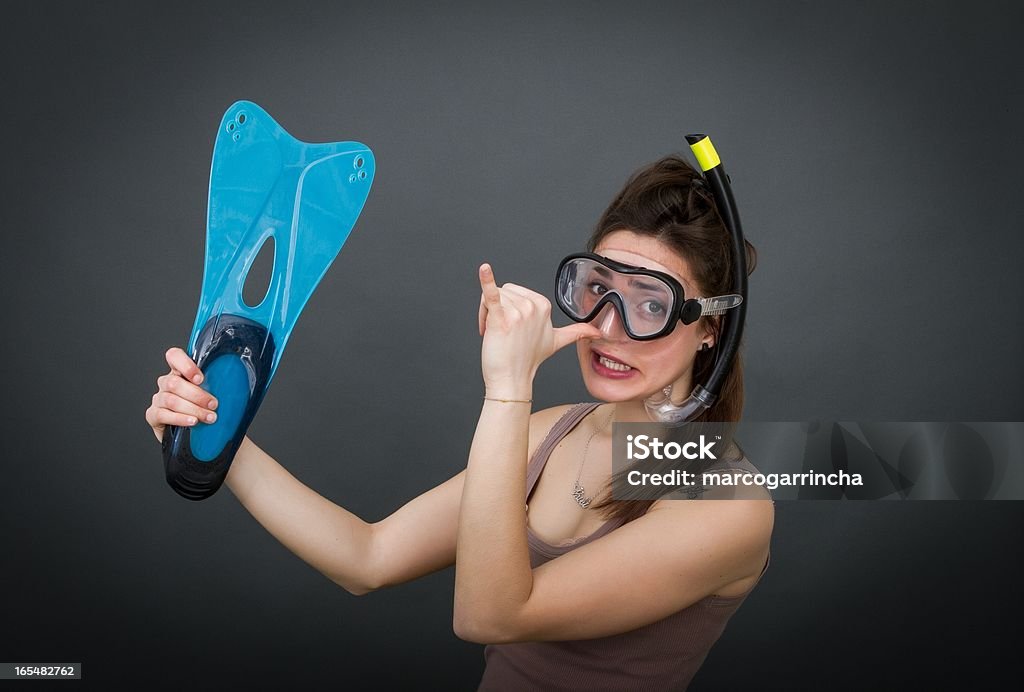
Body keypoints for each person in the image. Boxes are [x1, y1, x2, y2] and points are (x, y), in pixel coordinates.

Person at [145, 154, 773, 690]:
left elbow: (491, 616)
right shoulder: (548, 433)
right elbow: (369, 556)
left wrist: (507, 390)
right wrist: (219, 434)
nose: (606, 327)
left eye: (651, 305)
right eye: (596, 288)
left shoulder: (728, 506)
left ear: (710, 329)